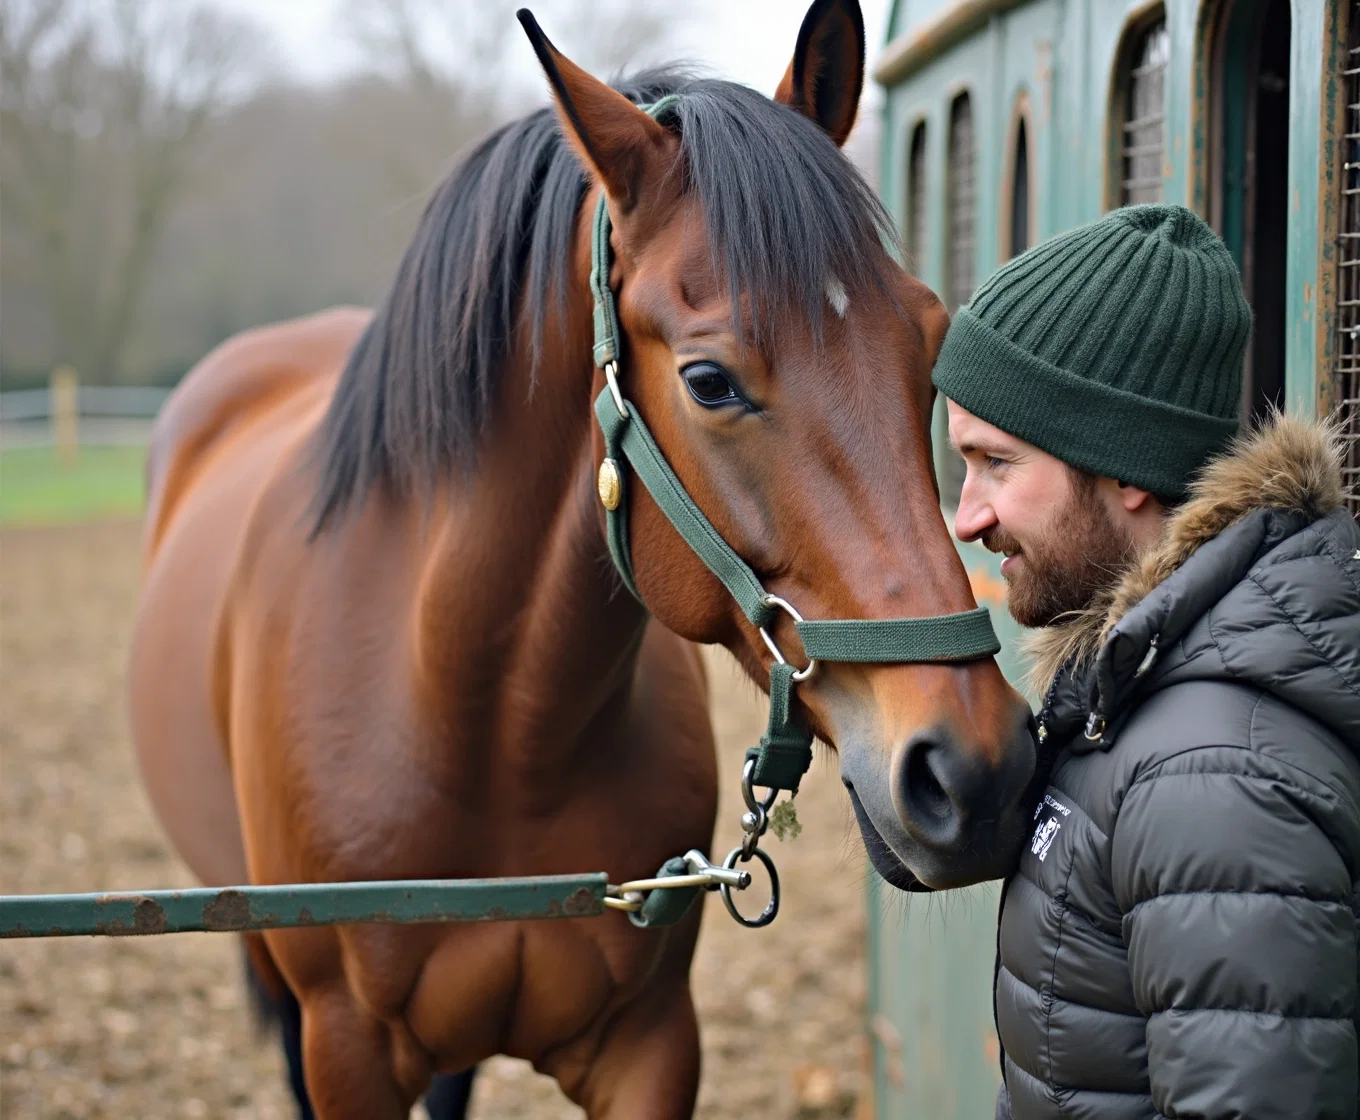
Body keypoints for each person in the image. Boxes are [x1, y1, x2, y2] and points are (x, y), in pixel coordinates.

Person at [931, 203, 1360, 1119]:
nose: (967, 515)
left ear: (1125, 469)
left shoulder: (1209, 771)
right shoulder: (1137, 686)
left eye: (995, 463)